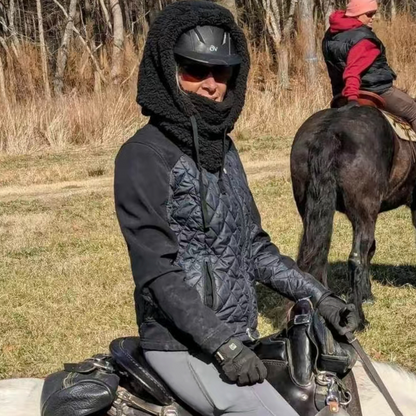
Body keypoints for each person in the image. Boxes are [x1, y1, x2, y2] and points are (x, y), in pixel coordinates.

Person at [114, 2, 359, 415]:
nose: (210, 84)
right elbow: (157, 272)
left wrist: (322, 298)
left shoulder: (224, 151)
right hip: (181, 344)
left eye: (221, 71)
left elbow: (254, 249)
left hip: (236, 335)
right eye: (194, 70)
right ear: (167, 72)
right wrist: (221, 345)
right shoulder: (144, 155)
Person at [322, 0, 416, 130]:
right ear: (356, 14)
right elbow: (352, 71)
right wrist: (352, 97)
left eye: (373, 14)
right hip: (375, 90)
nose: (372, 18)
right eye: (369, 14)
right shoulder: (364, 39)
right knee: (413, 111)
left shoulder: (331, 34)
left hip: (339, 94)